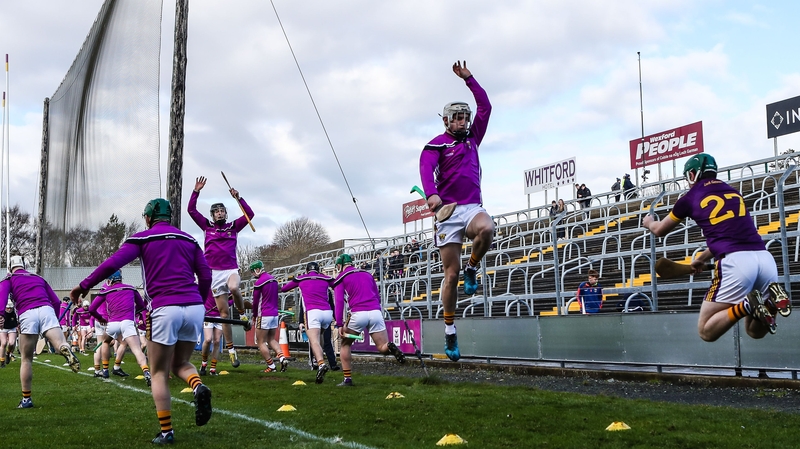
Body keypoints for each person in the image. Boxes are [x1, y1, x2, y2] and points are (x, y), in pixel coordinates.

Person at [71, 198, 212, 444]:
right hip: (194, 307)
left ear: (148, 218)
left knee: (158, 372)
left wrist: (84, 286)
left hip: (164, 307)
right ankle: (199, 387)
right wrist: (198, 302)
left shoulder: (143, 238)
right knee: (181, 363)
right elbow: (206, 275)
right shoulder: (190, 240)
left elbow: (111, 264)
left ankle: (167, 432)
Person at [642, 153, 791, 342]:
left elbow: (659, 230)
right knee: (754, 332)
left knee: (706, 331)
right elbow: (731, 234)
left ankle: (746, 305)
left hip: (737, 263)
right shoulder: (734, 192)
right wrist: (702, 259)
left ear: (693, 174)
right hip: (765, 260)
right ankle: (770, 304)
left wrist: (648, 222)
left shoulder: (690, 197)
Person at [418, 60, 494, 362]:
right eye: (458, 118)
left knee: (487, 228)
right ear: (447, 121)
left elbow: (485, 106)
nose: (464, 121)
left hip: (472, 207)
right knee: (450, 276)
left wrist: (469, 79)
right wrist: (432, 195)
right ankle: (450, 330)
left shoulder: (474, 138)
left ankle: (473, 267)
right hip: (448, 214)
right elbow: (426, 169)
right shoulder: (436, 145)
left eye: (466, 117)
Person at [188, 175, 254, 368]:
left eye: (222, 211)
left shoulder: (233, 227)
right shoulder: (206, 227)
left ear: (226, 213)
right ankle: (232, 350)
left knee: (234, 287)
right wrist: (196, 191)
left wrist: (238, 198)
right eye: (216, 211)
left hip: (230, 269)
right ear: (212, 215)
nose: (219, 213)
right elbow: (191, 210)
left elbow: (250, 215)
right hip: (213, 274)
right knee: (223, 315)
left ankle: (242, 313)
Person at [0, 255, 80, 409]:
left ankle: (26, 400)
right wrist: (54, 319)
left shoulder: (9, 279)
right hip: (47, 309)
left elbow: (1, 297)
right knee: (60, 343)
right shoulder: (38, 278)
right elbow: (56, 301)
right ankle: (64, 348)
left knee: (26, 359)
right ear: (24, 265)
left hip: (26, 313)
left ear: (10, 267)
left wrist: (1, 314)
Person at [333, 253, 405, 386]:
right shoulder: (367, 274)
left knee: (345, 344)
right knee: (382, 347)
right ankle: (389, 346)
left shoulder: (341, 277)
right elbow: (377, 296)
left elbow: (338, 302)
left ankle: (347, 379)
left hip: (358, 313)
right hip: (375, 311)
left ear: (340, 265)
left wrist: (338, 324)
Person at [88, 270, 151, 385]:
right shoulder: (131, 288)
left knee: (106, 342)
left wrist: (100, 318)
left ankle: (105, 370)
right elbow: (141, 306)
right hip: (128, 322)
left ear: (111, 280)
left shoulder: (106, 290)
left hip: (113, 323)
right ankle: (146, 372)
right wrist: (132, 312)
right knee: (136, 349)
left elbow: (91, 309)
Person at [281, 261, 335, 383]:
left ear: (306, 270)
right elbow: (337, 284)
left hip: (312, 312)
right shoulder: (325, 278)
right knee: (320, 335)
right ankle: (318, 359)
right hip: (327, 313)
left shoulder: (301, 278)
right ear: (318, 270)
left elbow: (284, 289)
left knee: (313, 340)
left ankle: (320, 363)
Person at [249, 260, 288, 373]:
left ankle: (271, 366)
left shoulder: (259, 283)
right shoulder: (274, 279)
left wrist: (254, 316)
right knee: (271, 339)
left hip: (263, 314)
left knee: (260, 342)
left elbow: (256, 303)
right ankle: (282, 358)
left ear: (257, 270)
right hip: (274, 314)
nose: (253, 274)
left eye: (253, 272)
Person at [199, 290, 223, 376]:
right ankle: (204, 363)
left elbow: (231, 299)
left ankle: (213, 368)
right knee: (208, 339)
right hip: (208, 315)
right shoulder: (208, 283)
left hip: (220, 316)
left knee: (217, 341)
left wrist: (223, 305)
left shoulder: (223, 284)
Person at [0, 299, 19, 367]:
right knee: (4, 343)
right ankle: (2, 361)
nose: (9, 309)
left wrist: (17, 326)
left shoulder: (14, 312)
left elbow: (17, 319)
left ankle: (8, 353)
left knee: (11, 343)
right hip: (3, 328)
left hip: (12, 328)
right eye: (7, 308)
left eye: (10, 308)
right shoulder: (1, 311)